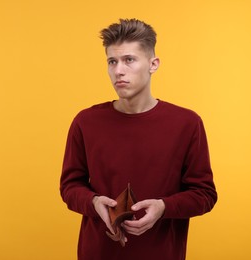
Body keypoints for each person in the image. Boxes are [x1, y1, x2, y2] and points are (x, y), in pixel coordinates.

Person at [60, 18, 217, 260]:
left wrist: (163, 208)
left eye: (129, 60)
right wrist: (94, 203)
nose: (118, 70)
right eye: (112, 61)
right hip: (98, 254)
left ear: (153, 64)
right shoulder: (85, 121)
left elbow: (204, 194)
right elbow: (70, 186)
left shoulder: (187, 123)